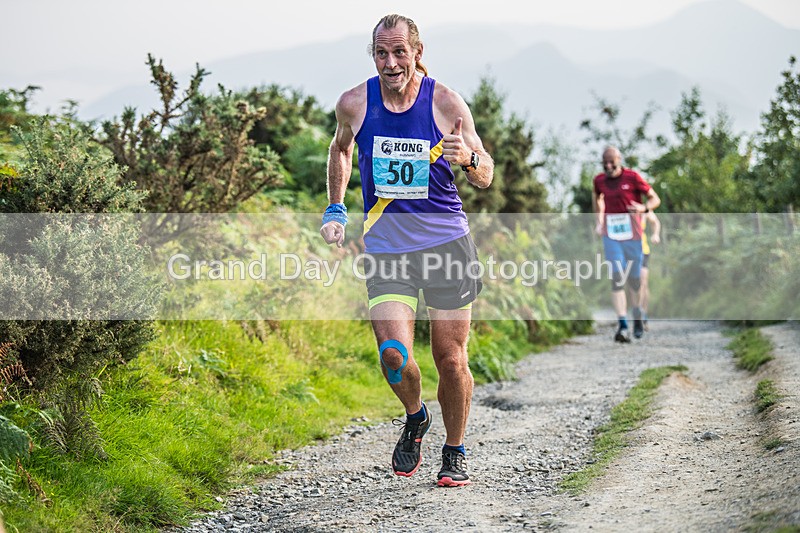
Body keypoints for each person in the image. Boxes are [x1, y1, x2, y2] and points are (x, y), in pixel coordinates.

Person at [320, 14, 494, 487]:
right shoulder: (354, 103)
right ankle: (416, 416)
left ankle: (455, 450)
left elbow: (486, 172)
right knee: (394, 354)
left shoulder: (444, 102)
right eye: (382, 52)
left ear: (418, 52)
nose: (391, 62)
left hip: (446, 246)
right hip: (388, 249)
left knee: (450, 358)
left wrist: (469, 159)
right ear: (373, 54)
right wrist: (335, 208)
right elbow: (339, 150)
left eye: (400, 52)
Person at [593, 146, 660, 342]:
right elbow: (597, 200)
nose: (608, 165)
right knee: (617, 276)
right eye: (604, 162)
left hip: (634, 237)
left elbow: (655, 199)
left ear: (619, 160)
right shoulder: (599, 181)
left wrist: (643, 207)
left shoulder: (633, 177)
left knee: (635, 280)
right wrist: (599, 221)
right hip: (612, 236)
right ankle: (622, 325)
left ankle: (637, 312)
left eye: (611, 161)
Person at [640, 210, 661, 331]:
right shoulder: (621, 204)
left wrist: (655, 234)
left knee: (643, 282)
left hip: (642, 250)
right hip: (625, 249)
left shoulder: (645, 208)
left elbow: (655, 222)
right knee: (632, 283)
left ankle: (644, 315)